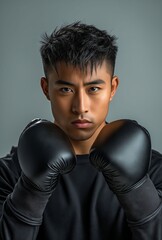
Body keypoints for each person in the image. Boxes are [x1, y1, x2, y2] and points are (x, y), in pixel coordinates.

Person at [0, 22, 162, 240]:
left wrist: (137, 189)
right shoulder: (9, 173)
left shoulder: (153, 171)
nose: (81, 106)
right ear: (46, 89)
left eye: (93, 88)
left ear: (112, 88)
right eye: (66, 89)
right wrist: (31, 189)